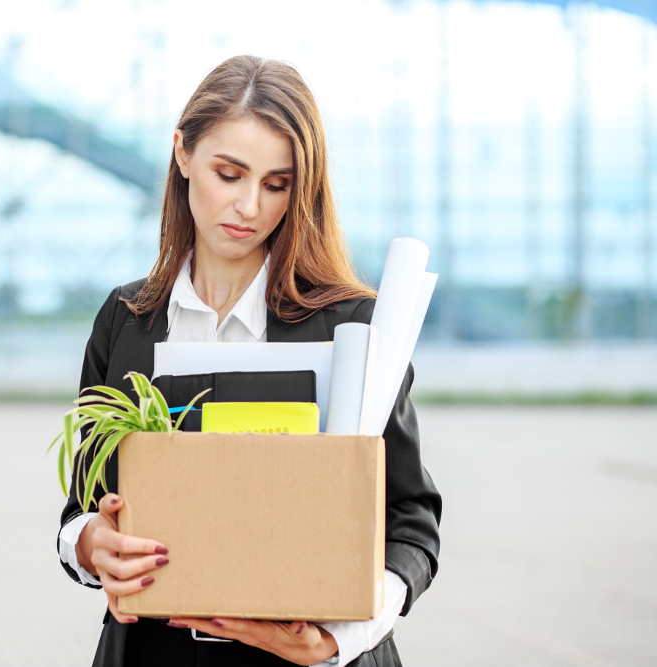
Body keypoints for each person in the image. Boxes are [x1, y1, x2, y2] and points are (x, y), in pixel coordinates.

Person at [57, 55, 441, 667]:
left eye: (276, 184)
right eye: (229, 174)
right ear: (182, 154)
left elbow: (411, 521)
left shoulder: (352, 327)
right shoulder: (125, 321)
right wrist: (89, 544)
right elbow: (82, 504)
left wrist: (341, 636)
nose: (249, 207)